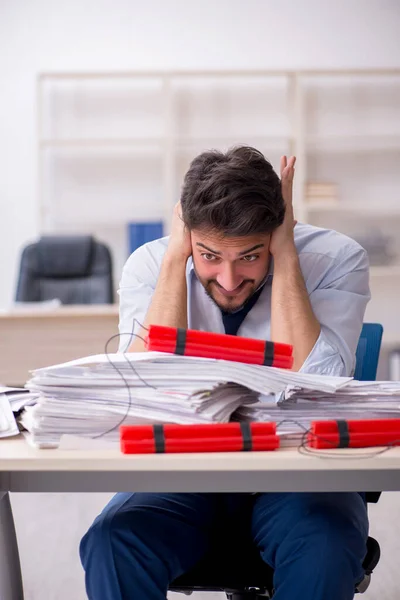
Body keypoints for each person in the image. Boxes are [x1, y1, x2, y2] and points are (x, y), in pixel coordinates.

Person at [80, 146, 371, 600]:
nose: (230, 280)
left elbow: (315, 381)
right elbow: (144, 386)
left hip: (299, 477)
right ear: (187, 231)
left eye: (251, 257)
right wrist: (178, 260)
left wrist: (286, 253)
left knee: (325, 545)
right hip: (186, 476)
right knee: (111, 542)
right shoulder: (153, 264)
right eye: (211, 256)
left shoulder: (336, 258)